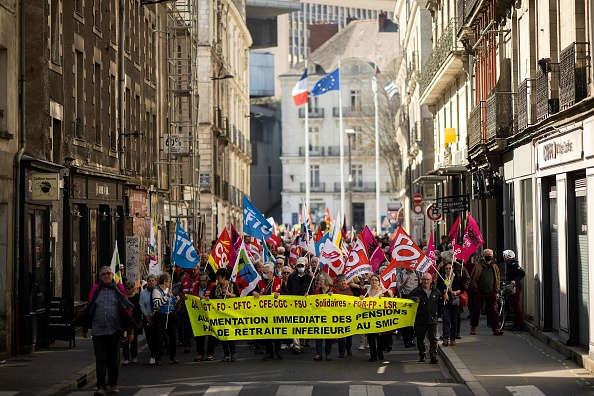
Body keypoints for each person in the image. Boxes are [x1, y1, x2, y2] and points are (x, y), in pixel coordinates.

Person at [82, 266, 136, 396]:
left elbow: (127, 310)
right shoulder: (96, 289)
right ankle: (101, 386)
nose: (107, 276)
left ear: (112, 275)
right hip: (98, 330)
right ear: (100, 277)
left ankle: (113, 383)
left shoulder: (119, 289)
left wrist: (130, 331)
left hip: (115, 330)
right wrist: (84, 328)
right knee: (100, 359)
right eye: (104, 274)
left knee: (113, 359)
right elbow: (89, 309)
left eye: (109, 273)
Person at [409, 273, 442, 364]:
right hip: (420, 318)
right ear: (421, 280)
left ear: (431, 280)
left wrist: (445, 297)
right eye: (424, 279)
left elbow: (441, 301)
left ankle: (433, 355)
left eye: (427, 279)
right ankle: (422, 354)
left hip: (432, 318)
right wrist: (414, 298)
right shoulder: (417, 290)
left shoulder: (435, 291)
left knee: (433, 338)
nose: (426, 281)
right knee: (420, 338)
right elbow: (408, 297)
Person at [253, 262, 283, 361]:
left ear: (271, 273)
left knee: (278, 333)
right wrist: (255, 293)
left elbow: (287, 293)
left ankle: (278, 351)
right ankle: (269, 352)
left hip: (277, 311)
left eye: (266, 272)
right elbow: (253, 292)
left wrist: (280, 295)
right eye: (263, 272)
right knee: (268, 333)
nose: (264, 274)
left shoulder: (279, 281)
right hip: (265, 312)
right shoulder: (260, 283)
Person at [469, 249, 503, 336]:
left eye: (490, 255)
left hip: (492, 291)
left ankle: (496, 328)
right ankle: (473, 327)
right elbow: (473, 277)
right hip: (480, 291)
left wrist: (496, 289)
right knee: (476, 310)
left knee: (493, 310)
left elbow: (498, 277)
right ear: (484, 256)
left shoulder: (494, 266)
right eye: (487, 255)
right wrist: (475, 289)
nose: (489, 257)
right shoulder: (478, 266)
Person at [360, 274, 393, 362]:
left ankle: (380, 352)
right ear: (370, 281)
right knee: (370, 337)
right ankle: (373, 355)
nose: (374, 281)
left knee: (380, 337)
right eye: (372, 280)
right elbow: (359, 301)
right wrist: (361, 298)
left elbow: (391, 302)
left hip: (380, 317)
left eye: (376, 280)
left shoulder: (384, 292)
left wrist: (385, 297)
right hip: (369, 317)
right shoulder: (366, 291)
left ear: (379, 282)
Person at [210, 267, 240, 362]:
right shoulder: (216, 287)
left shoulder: (232, 285)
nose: (217, 279)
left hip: (230, 314)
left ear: (224, 277)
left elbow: (238, 297)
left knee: (230, 334)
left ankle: (233, 353)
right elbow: (211, 298)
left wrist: (229, 294)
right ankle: (226, 354)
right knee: (223, 334)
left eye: (219, 277)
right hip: (220, 314)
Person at [152, 273, 181, 365]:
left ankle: (173, 355)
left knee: (173, 336)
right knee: (159, 336)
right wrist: (166, 297)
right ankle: (158, 357)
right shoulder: (156, 291)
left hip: (170, 314)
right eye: (169, 282)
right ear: (164, 281)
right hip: (160, 315)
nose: (170, 284)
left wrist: (175, 300)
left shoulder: (169, 290)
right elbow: (157, 304)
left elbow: (171, 304)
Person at [286, 257, 313, 354]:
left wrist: (308, 295)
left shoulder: (309, 278)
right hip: (294, 304)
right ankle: (296, 345)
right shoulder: (292, 277)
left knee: (303, 324)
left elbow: (312, 291)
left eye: (302, 266)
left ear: (305, 267)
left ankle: (302, 343)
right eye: (299, 266)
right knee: (295, 324)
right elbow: (289, 289)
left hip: (305, 304)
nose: (300, 267)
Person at [333, 274, 362, 358]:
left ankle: (348, 348)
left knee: (349, 333)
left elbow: (363, 292)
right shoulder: (335, 291)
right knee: (341, 334)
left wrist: (357, 287)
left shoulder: (352, 289)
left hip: (350, 314)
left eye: (344, 280)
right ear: (338, 283)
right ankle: (341, 351)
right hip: (340, 315)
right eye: (341, 281)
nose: (343, 283)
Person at [437, 262, 464, 346]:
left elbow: (462, 288)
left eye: (450, 268)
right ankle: (445, 337)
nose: (448, 270)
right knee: (446, 319)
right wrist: (444, 292)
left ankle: (453, 337)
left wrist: (456, 292)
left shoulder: (457, 277)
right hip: (445, 301)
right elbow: (438, 288)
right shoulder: (442, 277)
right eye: (446, 268)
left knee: (454, 320)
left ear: (453, 269)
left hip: (455, 301)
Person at [192, 271, 216, 362]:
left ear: (207, 280)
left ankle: (210, 353)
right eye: (200, 280)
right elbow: (193, 298)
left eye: (204, 281)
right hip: (199, 314)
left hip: (210, 314)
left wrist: (209, 300)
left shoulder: (213, 286)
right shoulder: (195, 287)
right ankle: (200, 353)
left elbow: (216, 299)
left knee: (211, 333)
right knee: (199, 333)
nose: (202, 283)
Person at [313, 272, 335, 361]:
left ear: (326, 281)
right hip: (319, 316)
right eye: (319, 281)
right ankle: (318, 354)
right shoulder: (316, 291)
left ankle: (328, 353)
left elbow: (340, 302)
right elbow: (312, 302)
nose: (320, 282)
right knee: (318, 336)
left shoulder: (333, 290)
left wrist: (333, 297)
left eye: (321, 281)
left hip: (330, 316)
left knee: (328, 336)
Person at [180, 264, 201, 353]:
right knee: (187, 327)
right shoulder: (186, 278)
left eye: (194, 267)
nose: (193, 269)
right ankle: (187, 345)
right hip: (186, 307)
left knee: (198, 328)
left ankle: (200, 347)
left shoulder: (201, 277)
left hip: (197, 308)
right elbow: (181, 290)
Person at [397, 267, 419, 348]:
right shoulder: (401, 274)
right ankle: (406, 340)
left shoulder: (417, 273)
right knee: (406, 319)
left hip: (415, 298)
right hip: (405, 297)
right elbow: (399, 288)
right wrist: (404, 283)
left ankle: (411, 338)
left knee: (413, 319)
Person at [121, 281, 142, 365]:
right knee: (124, 340)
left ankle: (134, 356)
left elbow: (140, 310)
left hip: (135, 321)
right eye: (126, 288)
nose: (127, 290)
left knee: (133, 340)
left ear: (133, 288)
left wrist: (140, 321)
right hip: (125, 321)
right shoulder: (123, 298)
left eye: (129, 288)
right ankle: (126, 358)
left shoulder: (137, 297)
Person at [139, 274, 159, 365]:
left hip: (157, 316)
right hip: (147, 317)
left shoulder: (158, 291)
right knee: (150, 337)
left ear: (156, 282)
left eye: (153, 280)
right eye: (149, 280)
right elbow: (142, 304)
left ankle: (158, 353)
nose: (151, 282)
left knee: (157, 337)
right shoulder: (143, 293)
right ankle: (152, 354)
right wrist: (146, 315)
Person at [503, 250, 525, 331]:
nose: (503, 257)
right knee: (512, 304)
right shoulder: (509, 265)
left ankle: (519, 324)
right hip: (511, 287)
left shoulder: (514, 265)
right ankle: (516, 323)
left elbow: (522, 273)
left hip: (515, 288)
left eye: (504, 256)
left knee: (516, 305)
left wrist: (515, 281)